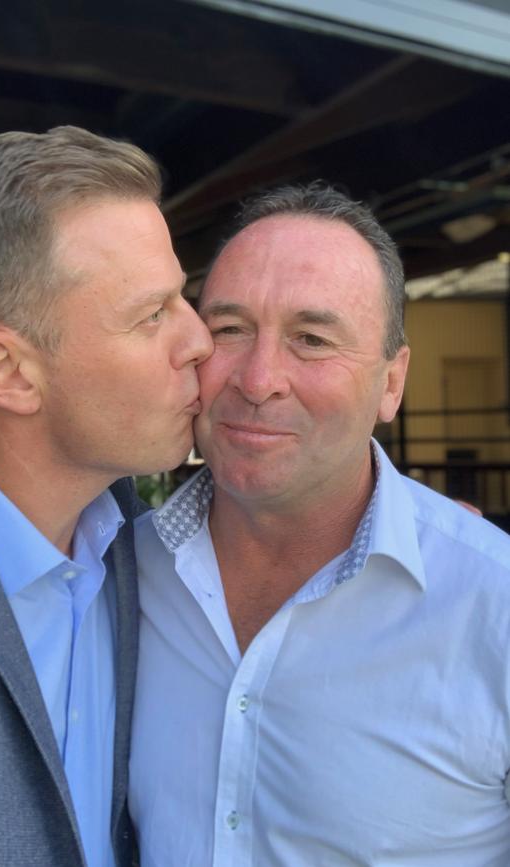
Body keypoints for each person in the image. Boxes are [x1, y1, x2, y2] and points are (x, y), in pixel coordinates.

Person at [0, 126, 212, 867]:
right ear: (10, 371)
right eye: (152, 315)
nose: (201, 340)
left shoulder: (153, 548)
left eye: (183, 299)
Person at [130, 183, 510, 866]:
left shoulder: (492, 605)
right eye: (229, 330)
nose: (258, 377)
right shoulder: (117, 576)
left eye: (312, 338)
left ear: (392, 383)